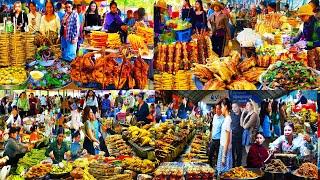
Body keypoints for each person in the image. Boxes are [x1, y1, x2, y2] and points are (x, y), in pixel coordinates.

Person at [216, 98, 232, 175]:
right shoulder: (226, 119)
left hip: (225, 149)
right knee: (223, 173)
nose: (221, 109)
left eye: (221, 107)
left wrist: (224, 156)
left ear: (225, 107)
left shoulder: (228, 120)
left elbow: (227, 140)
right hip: (223, 148)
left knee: (224, 174)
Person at [209, 104, 224, 168]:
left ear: (221, 110)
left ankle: (217, 169)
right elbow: (213, 127)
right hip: (213, 139)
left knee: (218, 156)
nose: (217, 110)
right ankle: (210, 167)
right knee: (210, 154)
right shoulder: (214, 116)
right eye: (216, 109)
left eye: (219, 109)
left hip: (219, 140)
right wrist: (210, 136)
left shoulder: (223, 119)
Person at [231, 102, 243, 167]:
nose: (234, 109)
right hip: (232, 136)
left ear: (238, 107)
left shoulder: (242, 115)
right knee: (232, 152)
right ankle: (232, 165)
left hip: (239, 137)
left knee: (239, 152)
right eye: (232, 107)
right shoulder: (231, 115)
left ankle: (238, 165)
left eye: (235, 107)